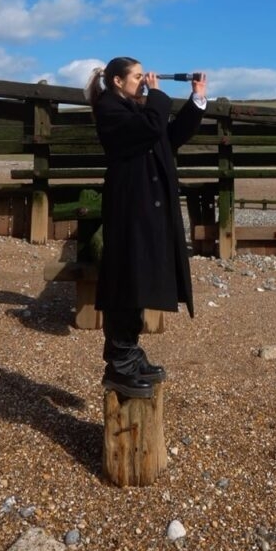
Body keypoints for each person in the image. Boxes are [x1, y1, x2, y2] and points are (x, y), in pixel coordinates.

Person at [85, 57, 207, 398]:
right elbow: (152, 128)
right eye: (137, 77)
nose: (143, 81)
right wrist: (157, 95)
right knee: (126, 279)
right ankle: (119, 363)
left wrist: (196, 101)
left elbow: (168, 138)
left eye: (143, 77)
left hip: (144, 204)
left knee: (138, 278)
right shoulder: (110, 109)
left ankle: (131, 354)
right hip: (130, 205)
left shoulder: (133, 108)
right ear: (117, 81)